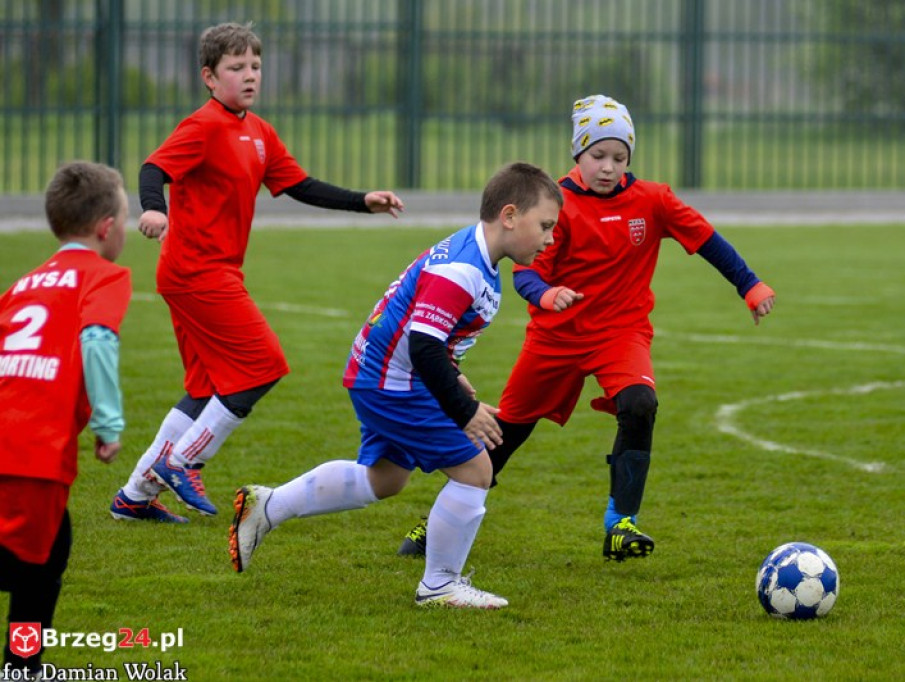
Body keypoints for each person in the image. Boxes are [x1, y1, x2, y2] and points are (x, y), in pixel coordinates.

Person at [397, 94, 776, 561]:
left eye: (620, 157)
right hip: (555, 339)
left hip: (621, 334)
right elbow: (527, 274)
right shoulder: (555, 203)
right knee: (505, 432)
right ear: (578, 153)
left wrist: (750, 285)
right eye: (598, 155)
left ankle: (621, 524)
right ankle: (436, 522)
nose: (608, 167)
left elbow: (708, 240)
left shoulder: (654, 200)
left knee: (640, 404)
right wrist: (548, 295)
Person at [228, 162, 562, 609]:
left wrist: (454, 376)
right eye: (544, 225)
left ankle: (266, 506)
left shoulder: (477, 256)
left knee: (385, 479)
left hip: (381, 374)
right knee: (476, 470)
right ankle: (440, 585)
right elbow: (423, 345)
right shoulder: (462, 269)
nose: (550, 238)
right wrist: (464, 412)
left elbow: (426, 335)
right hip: (392, 382)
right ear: (509, 215)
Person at [109, 22, 405, 523]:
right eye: (236, 67)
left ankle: (135, 496)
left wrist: (363, 201)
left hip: (211, 273)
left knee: (204, 389)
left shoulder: (258, 131)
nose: (249, 76)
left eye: (255, 66)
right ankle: (184, 461)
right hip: (195, 272)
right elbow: (153, 169)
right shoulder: (202, 126)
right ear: (209, 76)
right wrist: (154, 208)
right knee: (263, 365)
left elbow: (300, 184)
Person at [0, 162, 131, 676]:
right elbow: (97, 339)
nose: (126, 226)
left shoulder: (24, 282)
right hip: (32, 453)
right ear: (105, 227)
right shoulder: (105, 275)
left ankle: (22, 664)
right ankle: (22, 666)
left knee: (50, 555)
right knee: (34, 571)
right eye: (125, 216)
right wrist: (109, 423)